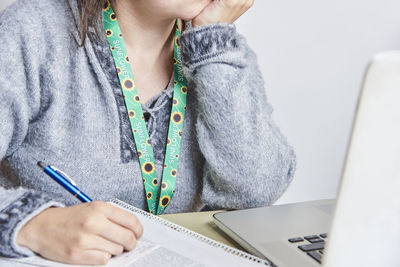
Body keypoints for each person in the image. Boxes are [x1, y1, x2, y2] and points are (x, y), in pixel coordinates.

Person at [0, 0, 296, 265]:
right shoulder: (30, 31)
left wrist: (212, 43)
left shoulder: (216, 49)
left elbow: (254, 192)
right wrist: (33, 225)